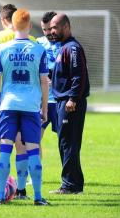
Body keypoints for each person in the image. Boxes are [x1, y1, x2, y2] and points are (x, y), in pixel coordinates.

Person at [0, 9, 49, 206]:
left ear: (12, 25)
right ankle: (38, 197)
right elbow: (44, 82)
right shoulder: (39, 49)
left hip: (8, 104)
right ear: (29, 25)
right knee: (32, 149)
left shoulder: (2, 48)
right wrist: (45, 108)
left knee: (5, 149)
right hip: (31, 105)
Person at [0, 4, 34, 199]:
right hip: (26, 99)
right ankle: (21, 190)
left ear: (4, 20)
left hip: (2, 97)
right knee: (21, 142)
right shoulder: (32, 40)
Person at [49, 13, 90, 194]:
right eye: (50, 28)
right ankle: (75, 184)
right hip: (62, 101)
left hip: (70, 103)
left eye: (55, 27)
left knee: (69, 143)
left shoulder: (72, 48)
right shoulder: (63, 47)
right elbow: (63, 73)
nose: (52, 31)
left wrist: (73, 98)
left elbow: (78, 75)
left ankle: (70, 185)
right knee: (66, 143)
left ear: (66, 27)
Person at [36, 12, 60, 136]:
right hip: (41, 101)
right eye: (44, 29)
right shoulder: (37, 43)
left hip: (60, 102)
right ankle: (36, 157)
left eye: (49, 29)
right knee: (33, 140)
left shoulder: (67, 45)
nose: (47, 33)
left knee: (65, 141)